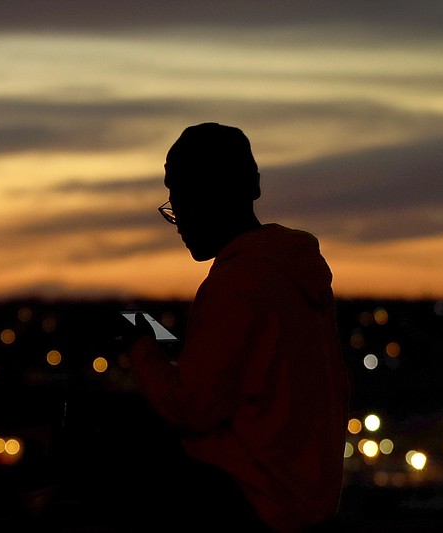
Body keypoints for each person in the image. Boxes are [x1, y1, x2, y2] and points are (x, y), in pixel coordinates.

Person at [128, 123, 348, 532]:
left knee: (118, 435)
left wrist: (140, 348)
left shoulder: (238, 282)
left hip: (259, 499)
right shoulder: (290, 270)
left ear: (212, 197)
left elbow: (192, 407)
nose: (178, 222)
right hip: (306, 494)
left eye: (182, 204)